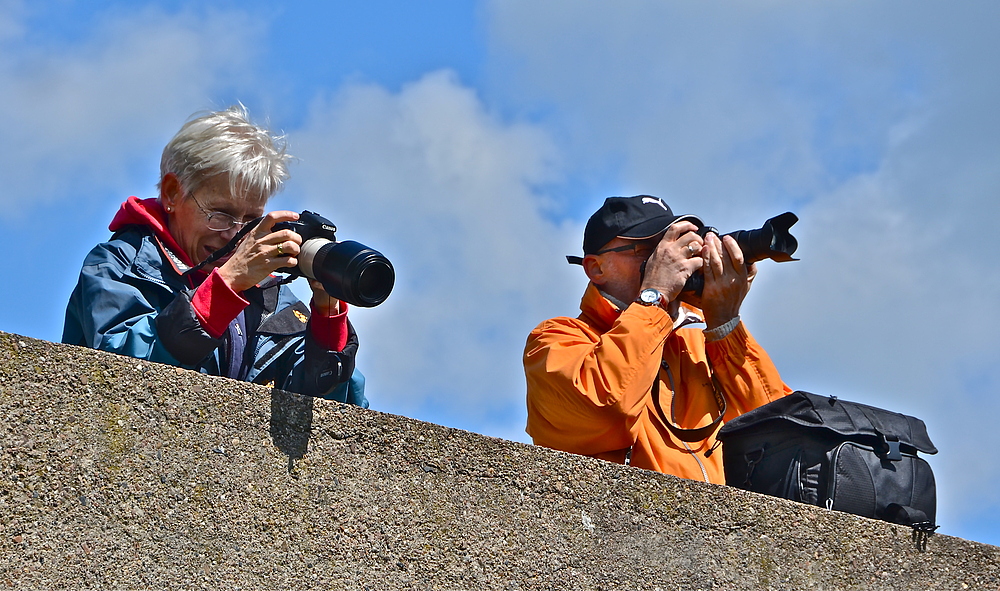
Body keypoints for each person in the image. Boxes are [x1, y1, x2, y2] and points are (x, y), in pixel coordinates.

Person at [63, 105, 366, 406]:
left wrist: (328, 316)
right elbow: (121, 375)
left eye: (250, 221)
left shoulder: (275, 299)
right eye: (221, 214)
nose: (234, 235)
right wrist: (226, 286)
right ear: (171, 193)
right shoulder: (120, 266)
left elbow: (333, 418)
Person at [523, 195, 790, 483]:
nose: (670, 258)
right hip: (623, 520)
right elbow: (604, 408)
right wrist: (655, 297)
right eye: (649, 249)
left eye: (677, 246)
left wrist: (725, 325)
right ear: (596, 268)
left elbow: (780, 442)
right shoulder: (556, 339)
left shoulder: (699, 344)